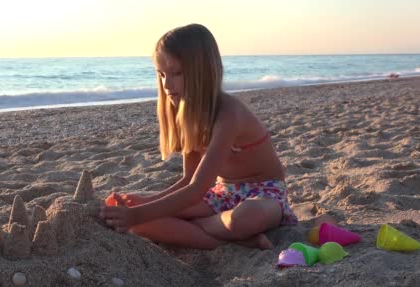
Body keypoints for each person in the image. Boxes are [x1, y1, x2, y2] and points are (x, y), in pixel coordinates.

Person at [100, 23, 297, 249]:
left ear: (203, 72)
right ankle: (237, 241)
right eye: (162, 74)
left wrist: (138, 214)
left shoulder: (228, 114)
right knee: (131, 208)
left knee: (244, 218)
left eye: (177, 73)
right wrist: (142, 206)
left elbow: (196, 189)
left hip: (264, 194)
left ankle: (208, 229)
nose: (166, 84)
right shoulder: (188, 114)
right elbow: (188, 180)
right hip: (221, 195)